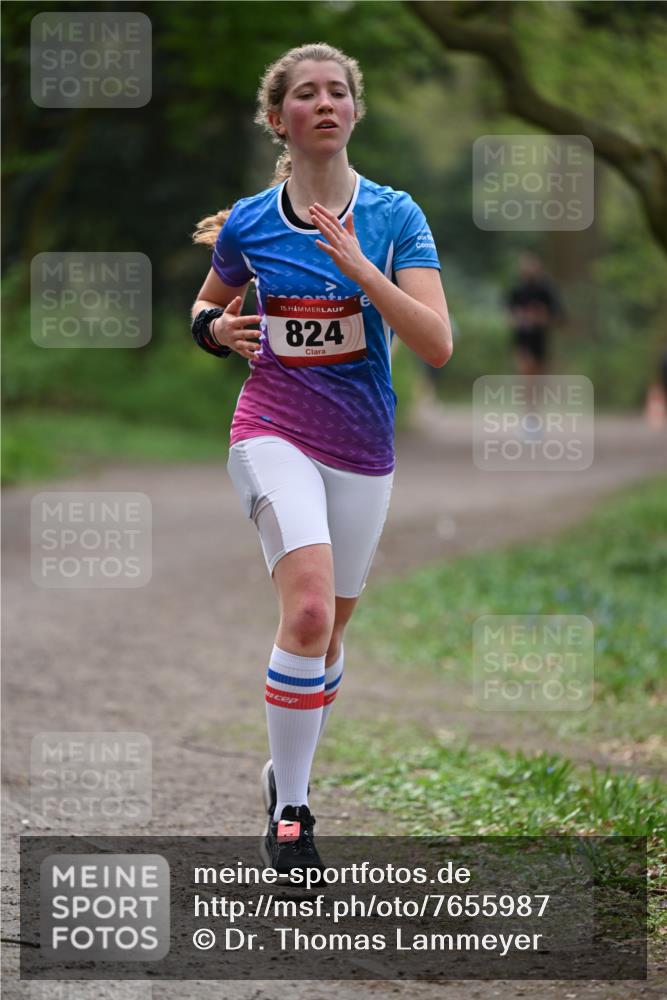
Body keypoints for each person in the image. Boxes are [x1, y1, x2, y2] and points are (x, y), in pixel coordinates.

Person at [190, 43, 452, 877]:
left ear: (354, 112)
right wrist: (213, 330)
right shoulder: (250, 221)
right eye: (306, 94)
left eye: (339, 91)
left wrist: (361, 270)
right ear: (280, 119)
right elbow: (208, 301)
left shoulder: (394, 216)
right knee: (303, 614)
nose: (326, 103)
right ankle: (295, 817)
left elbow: (437, 344)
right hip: (270, 428)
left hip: (362, 446)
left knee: (330, 636)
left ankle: (283, 772)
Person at [506, 252, 562, 377]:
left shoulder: (546, 290)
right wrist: (519, 319)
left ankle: (537, 395)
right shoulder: (516, 290)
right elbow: (509, 315)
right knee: (524, 370)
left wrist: (539, 318)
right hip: (521, 338)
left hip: (540, 339)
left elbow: (557, 316)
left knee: (538, 374)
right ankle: (526, 395)